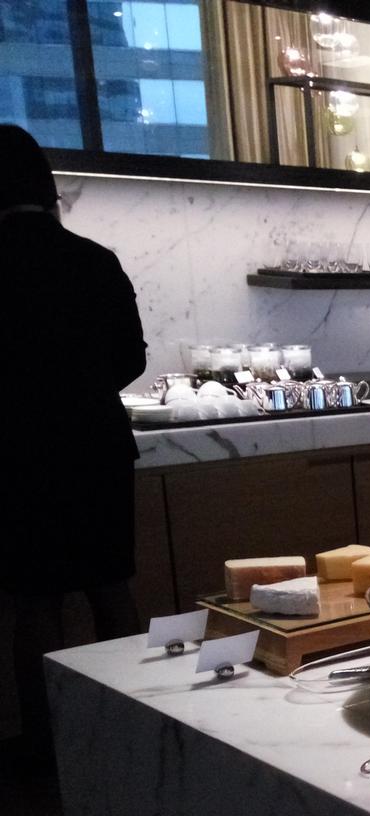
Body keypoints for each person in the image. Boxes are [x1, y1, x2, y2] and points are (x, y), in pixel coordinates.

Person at [0, 124, 147, 774]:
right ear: (47, 187)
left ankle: (47, 750)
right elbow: (131, 358)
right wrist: (82, 391)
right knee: (110, 589)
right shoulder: (94, 260)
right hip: (96, 446)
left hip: (15, 456)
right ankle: (133, 731)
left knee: (36, 602)